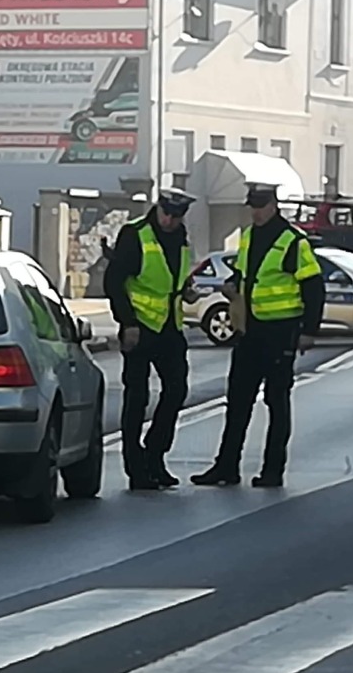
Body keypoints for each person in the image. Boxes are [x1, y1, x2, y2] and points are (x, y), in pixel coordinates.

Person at [192, 183, 325, 490]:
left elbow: (313, 286)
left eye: (260, 205)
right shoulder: (250, 236)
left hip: (281, 331)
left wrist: (309, 331)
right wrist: (232, 284)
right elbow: (244, 273)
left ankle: (273, 470)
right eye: (251, 205)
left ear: (274, 205)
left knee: (277, 402)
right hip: (250, 331)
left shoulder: (293, 241)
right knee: (237, 401)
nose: (255, 211)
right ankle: (226, 466)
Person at [104, 188, 197, 490]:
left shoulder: (182, 237)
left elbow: (174, 277)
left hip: (170, 328)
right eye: (166, 213)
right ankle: (136, 467)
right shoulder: (135, 235)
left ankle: (155, 455)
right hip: (140, 328)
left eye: (176, 215)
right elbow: (114, 280)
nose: (169, 220)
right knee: (137, 398)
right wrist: (127, 322)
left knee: (177, 390)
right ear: (158, 208)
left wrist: (187, 290)